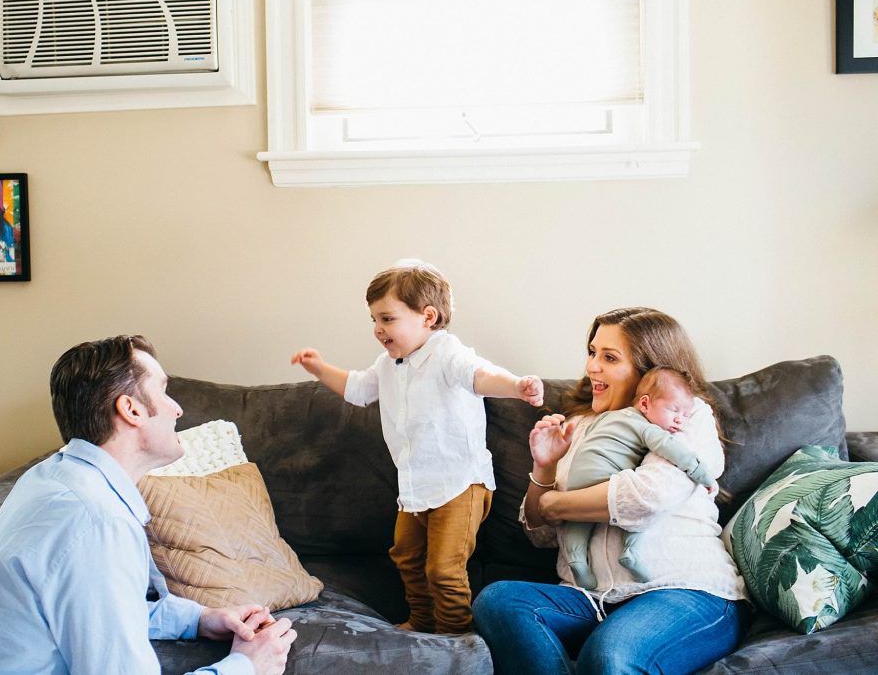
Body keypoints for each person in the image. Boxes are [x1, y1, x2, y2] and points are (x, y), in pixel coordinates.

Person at [0, 335, 297, 675]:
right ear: (131, 409)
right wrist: (247, 666)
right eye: (163, 390)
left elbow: (102, 611)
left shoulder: (52, 477)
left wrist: (201, 619)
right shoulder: (96, 523)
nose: (177, 409)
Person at [472, 307, 749, 674]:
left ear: (648, 370)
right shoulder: (578, 425)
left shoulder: (686, 415)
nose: (592, 367)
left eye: (609, 357)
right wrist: (545, 467)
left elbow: (646, 497)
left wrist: (558, 503)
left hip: (685, 590)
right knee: (498, 601)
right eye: (592, 352)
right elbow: (541, 535)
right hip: (591, 598)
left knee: (609, 656)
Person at [290, 259, 544, 635]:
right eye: (374, 320)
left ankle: (455, 633)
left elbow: (479, 376)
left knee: (444, 567)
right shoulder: (388, 363)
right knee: (406, 556)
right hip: (415, 487)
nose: (378, 329)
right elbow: (359, 389)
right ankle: (422, 621)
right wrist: (320, 369)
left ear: (427, 316)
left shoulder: (447, 353)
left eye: (388, 319)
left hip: (460, 484)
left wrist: (515, 386)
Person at [564, 366, 717, 590]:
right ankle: (630, 552)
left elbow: (590, 437)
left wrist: (556, 502)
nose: (680, 421)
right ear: (644, 404)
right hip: (606, 477)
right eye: (674, 411)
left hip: (577, 478)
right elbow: (674, 451)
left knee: (577, 521)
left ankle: (577, 559)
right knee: (633, 513)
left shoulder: (606, 417)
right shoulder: (645, 427)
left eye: (685, 415)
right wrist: (703, 475)